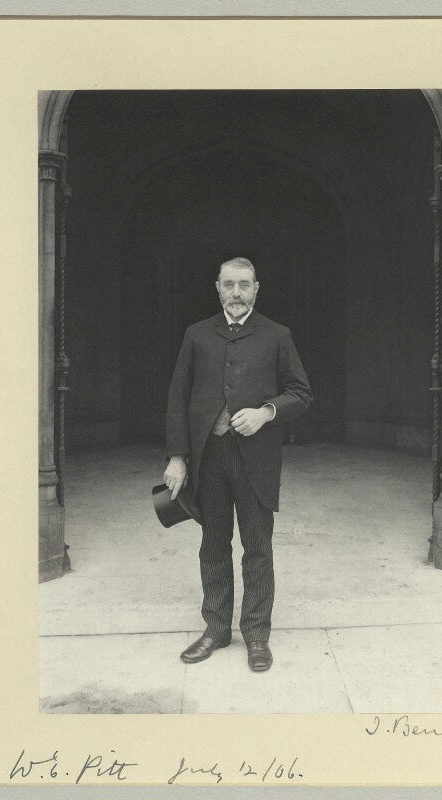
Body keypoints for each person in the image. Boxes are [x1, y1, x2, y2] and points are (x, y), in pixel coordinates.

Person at [164, 257, 312, 671]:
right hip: (208, 457)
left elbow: (301, 392)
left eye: (244, 285)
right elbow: (177, 397)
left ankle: (257, 635)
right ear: (217, 287)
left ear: (256, 288)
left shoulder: (277, 335)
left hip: (255, 459)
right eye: (228, 284)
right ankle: (215, 629)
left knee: (257, 547)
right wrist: (177, 456)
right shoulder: (197, 334)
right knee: (213, 544)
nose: (236, 293)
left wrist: (266, 412)